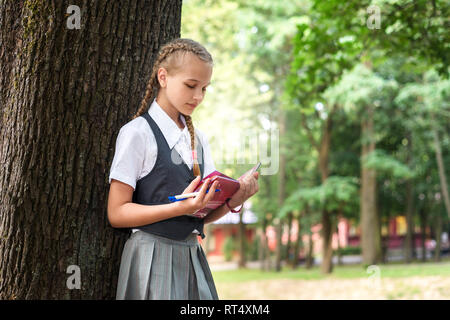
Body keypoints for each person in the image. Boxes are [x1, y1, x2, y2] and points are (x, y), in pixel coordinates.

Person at [107, 38, 259, 300]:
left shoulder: (198, 139)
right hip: (150, 256)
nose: (198, 97)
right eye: (190, 86)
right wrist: (180, 208)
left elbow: (202, 215)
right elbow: (117, 212)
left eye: (204, 89)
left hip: (191, 255)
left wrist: (235, 199)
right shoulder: (137, 134)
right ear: (163, 77)